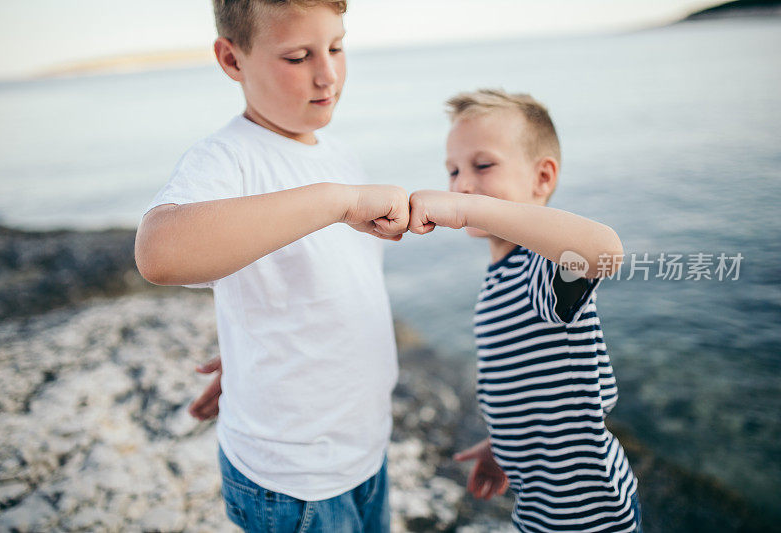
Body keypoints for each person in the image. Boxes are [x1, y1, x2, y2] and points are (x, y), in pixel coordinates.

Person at [134, 1, 409, 531]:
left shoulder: (339, 154)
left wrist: (248, 352)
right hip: (294, 480)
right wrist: (337, 201)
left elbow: (313, 286)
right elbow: (159, 251)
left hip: (364, 449)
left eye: (336, 47)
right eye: (298, 56)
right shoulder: (226, 159)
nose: (327, 73)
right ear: (232, 60)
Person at [406, 89, 642, 532]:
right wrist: (503, 446)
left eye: (483, 165)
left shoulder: (539, 270)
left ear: (542, 178)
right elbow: (532, 383)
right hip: (541, 505)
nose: (462, 184)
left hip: (587, 512)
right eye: (453, 171)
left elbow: (603, 253)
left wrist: (468, 207)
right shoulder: (503, 275)